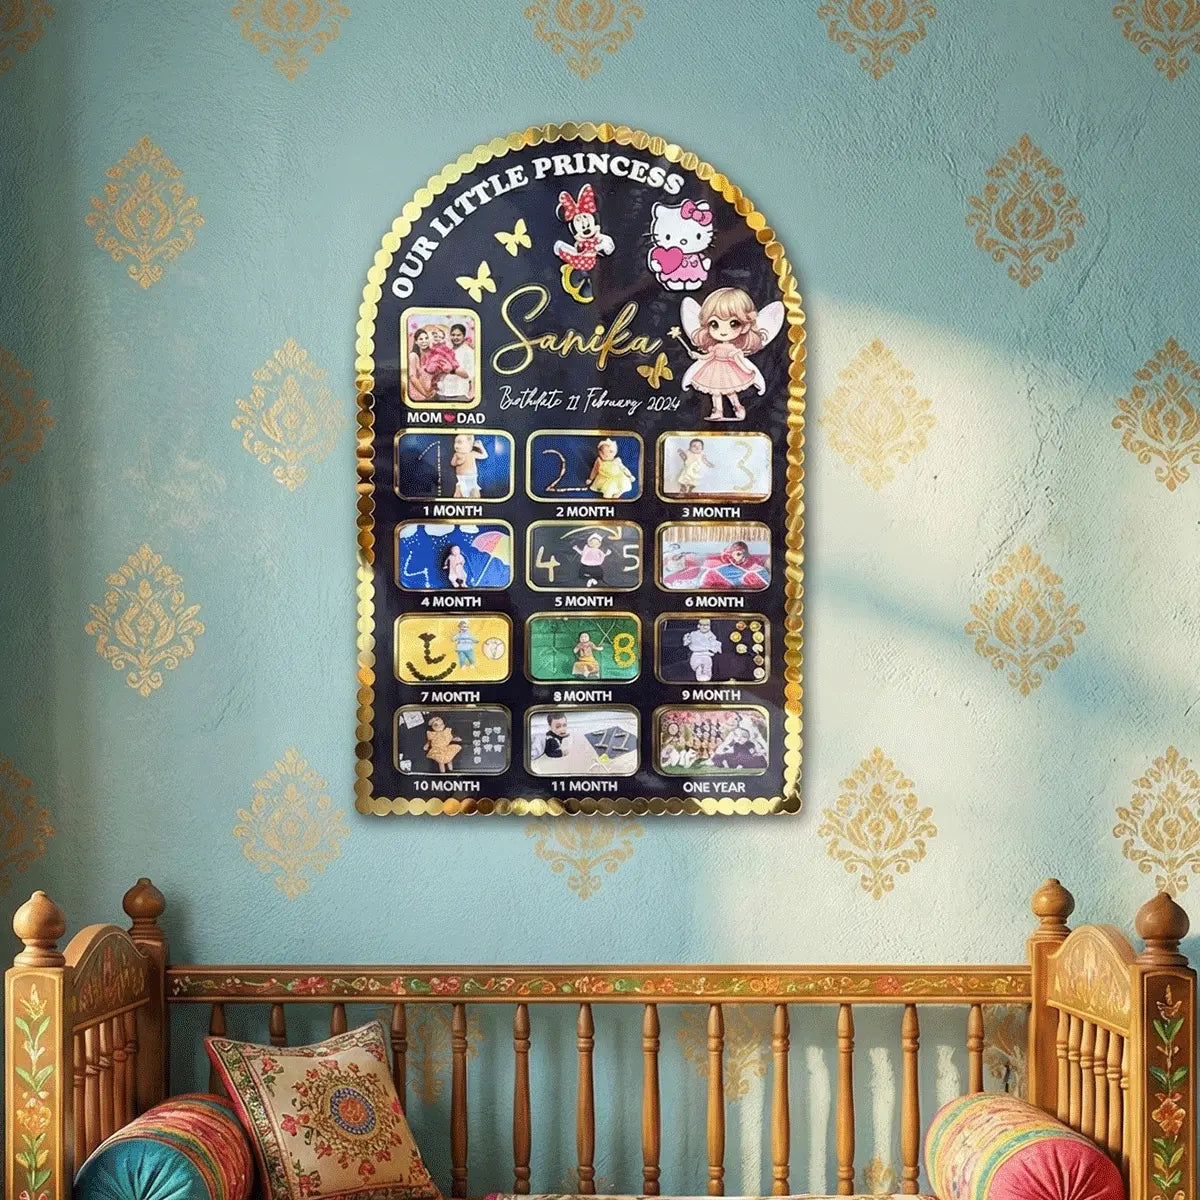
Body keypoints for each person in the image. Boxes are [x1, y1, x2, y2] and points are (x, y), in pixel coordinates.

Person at [437, 322, 475, 404]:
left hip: (458, 394)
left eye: (458, 335)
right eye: (453, 335)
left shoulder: (468, 352)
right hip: (442, 393)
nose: (455, 337)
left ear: (463, 336)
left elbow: (469, 374)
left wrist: (452, 370)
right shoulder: (448, 350)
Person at [682, 618, 723, 682]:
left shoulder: (711, 635)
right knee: (697, 665)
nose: (705, 627)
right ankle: (699, 673)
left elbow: (715, 643)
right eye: (703, 625)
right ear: (698, 626)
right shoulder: (693, 634)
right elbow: (686, 643)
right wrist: (687, 639)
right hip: (696, 654)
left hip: (706, 654)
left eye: (707, 625)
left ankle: (706, 675)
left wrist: (716, 647)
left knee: (707, 665)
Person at [450, 433, 487, 499]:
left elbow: (484, 456)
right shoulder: (457, 454)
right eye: (455, 442)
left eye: (459, 442)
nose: (456, 445)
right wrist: (457, 462)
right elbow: (452, 463)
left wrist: (481, 447)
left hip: (472, 479)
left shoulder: (472, 454)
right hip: (461, 480)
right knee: (457, 495)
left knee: (475, 495)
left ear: (470, 445)